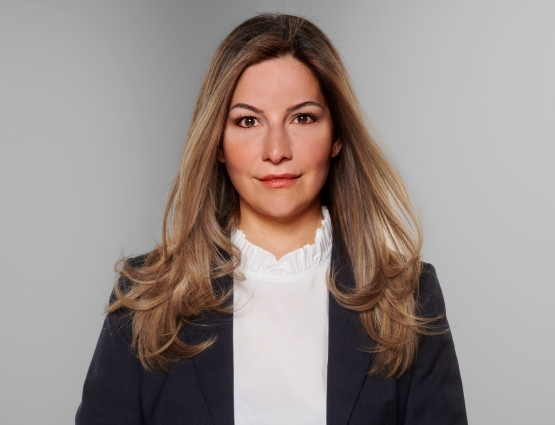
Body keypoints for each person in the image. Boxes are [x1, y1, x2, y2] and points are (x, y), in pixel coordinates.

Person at [76, 13, 467, 425]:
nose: (276, 150)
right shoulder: (146, 301)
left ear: (336, 136)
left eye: (302, 118)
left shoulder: (408, 298)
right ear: (218, 142)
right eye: (248, 121)